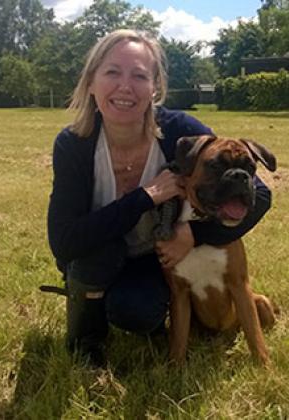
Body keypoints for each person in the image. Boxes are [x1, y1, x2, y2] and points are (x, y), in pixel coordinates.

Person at [47, 29, 271, 366]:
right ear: (91, 81)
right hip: (100, 255)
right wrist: (146, 196)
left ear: (155, 88)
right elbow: (64, 242)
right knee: (98, 255)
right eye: (112, 72)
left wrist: (193, 234)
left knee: (138, 311)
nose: (125, 86)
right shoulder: (74, 144)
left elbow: (261, 194)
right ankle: (86, 336)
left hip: (154, 259)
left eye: (139, 75)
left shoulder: (179, 131)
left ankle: (122, 308)